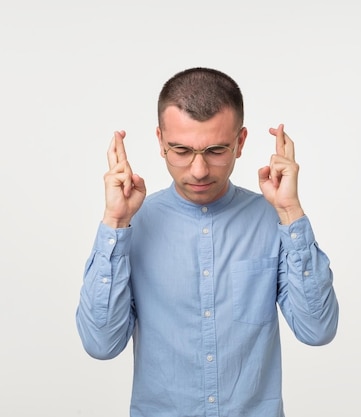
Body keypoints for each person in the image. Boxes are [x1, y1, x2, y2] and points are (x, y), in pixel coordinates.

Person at [76, 67, 339, 417]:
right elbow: (100, 344)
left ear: (240, 143)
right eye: (181, 150)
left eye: (216, 150)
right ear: (160, 142)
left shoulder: (274, 221)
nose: (199, 170)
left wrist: (291, 211)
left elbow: (317, 330)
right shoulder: (131, 225)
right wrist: (115, 222)